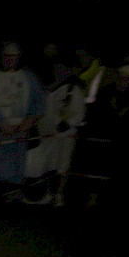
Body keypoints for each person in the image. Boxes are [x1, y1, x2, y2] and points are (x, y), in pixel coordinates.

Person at [0, 42, 45, 200]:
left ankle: (14, 194)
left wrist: (29, 121)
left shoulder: (29, 77)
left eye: (13, 56)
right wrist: (0, 122)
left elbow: (39, 101)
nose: (10, 59)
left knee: (16, 165)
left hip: (21, 130)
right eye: (7, 56)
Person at [25, 60, 86, 206]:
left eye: (62, 68)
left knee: (62, 165)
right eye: (57, 68)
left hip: (64, 136)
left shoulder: (73, 89)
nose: (59, 71)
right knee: (48, 165)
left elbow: (80, 113)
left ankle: (58, 194)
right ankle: (46, 193)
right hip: (46, 135)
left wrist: (67, 124)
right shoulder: (50, 88)